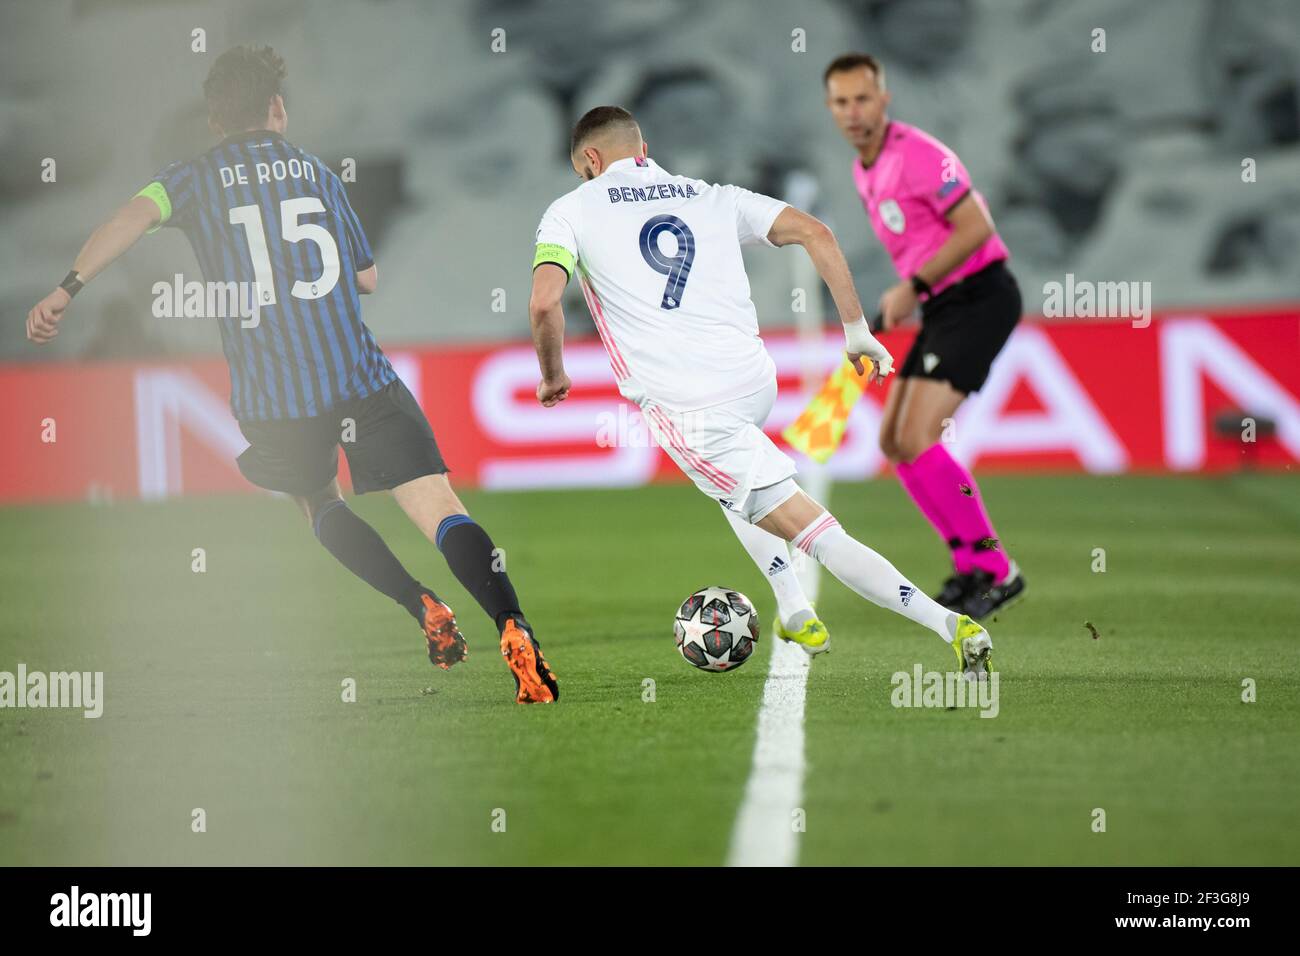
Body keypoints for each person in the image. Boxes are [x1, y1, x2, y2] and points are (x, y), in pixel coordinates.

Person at [24, 45, 557, 704]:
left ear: (216, 121)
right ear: (277, 108)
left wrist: (67, 288)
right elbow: (366, 277)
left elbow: (129, 220)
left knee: (320, 504)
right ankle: (513, 623)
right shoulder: (317, 173)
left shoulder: (191, 177)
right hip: (361, 379)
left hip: (278, 402)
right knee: (440, 508)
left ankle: (419, 603)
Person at [527, 105, 992, 678]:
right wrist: (856, 332)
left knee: (808, 528)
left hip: (688, 406)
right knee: (734, 488)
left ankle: (949, 624)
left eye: (581, 169)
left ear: (590, 160)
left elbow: (546, 301)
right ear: (642, 149)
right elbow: (814, 232)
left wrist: (552, 374)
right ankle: (794, 607)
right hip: (753, 380)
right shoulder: (712, 195)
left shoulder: (570, 211)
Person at [823, 52, 1026, 619]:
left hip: (980, 297)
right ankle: (970, 568)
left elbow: (976, 228)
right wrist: (913, 294)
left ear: (884, 100)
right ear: (830, 108)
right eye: (842, 101)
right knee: (894, 442)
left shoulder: (917, 155)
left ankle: (996, 567)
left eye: (863, 99)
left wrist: (913, 286)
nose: (853, 111)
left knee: (918, 436)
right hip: (943, 305)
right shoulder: (864, 168)